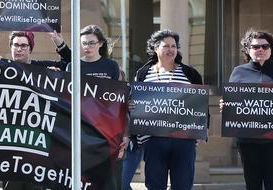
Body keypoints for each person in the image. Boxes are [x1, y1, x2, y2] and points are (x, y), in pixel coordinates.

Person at [225, 29, 273, 190]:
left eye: (265, 46)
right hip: (247, 138)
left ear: (271, 49)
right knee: (252, 182)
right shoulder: (238, 72)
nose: (260, 49)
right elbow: (231, 101)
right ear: (247, 49)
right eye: (255, 47)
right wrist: (225, 105)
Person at [133, 29, 203, 190]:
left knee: (183, 185)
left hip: (184, 141)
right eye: (166, 46)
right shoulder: (143, 73)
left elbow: (200, 105)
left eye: (174, 46)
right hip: (153, 140)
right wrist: (132, 105)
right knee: (155, 185)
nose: (171, 49)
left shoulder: (190, 74)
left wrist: (201, 128)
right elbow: (135, 101)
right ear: (155, 48)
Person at [67, 25, 128, 190]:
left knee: (109, 181)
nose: (87, 47)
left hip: (107, 131)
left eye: (92, 43)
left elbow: (118, 103)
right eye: (84, 43)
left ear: (100, 44)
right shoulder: (72, 66)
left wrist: (124, 135)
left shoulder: (111, 66)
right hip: (82, 131)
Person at [0, 30, 71, 68]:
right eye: (16, 45)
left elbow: (70, 64)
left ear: (30, 49)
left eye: (23, 45)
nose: (19, 49)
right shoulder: (2, 65)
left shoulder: (42, 67)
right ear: (11, 47)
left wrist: (59, 43)